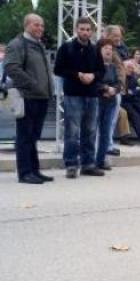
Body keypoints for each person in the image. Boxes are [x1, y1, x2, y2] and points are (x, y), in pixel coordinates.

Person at [54, 16, 105, 179]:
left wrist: (93, 76)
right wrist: (78, 75)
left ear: (92, 31)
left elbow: (101, 71)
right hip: (73, 95)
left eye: (88, 29)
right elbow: (58, 70)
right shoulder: (66, 48)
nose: (85, 32)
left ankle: (88, 164)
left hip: (91, 95)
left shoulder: (95, 50)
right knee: (72, 132)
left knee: (90, 131)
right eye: (82, 29)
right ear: (76, 30)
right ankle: (71, 164)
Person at [5, 14, 54, 184]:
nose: (40, 28)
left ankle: (34, 170)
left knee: (33, 136)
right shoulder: (17, 44)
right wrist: (32, 85)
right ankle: (25, 173)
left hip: (41, 97)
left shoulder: (38, 45)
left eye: (41, 25)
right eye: (36, 25)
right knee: (25, 136)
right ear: (26, 25)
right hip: (27, 96)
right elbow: (12, 68)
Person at [95, 38, 123, 170]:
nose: (108, 51)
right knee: (92, 131)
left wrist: (114, 90)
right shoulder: (94, 65)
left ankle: (101, 160)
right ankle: (91, 159)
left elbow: (119, 83)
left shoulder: (112, 67)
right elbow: (94, 82)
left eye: (111, 49)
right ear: (99, 50)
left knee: (106, 132)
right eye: (106, 48)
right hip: (97, 101)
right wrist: (106, 89)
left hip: (110, 101)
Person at [101, 24, 127, 156]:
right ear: (107, 35)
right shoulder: (104, 49)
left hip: (117, 89)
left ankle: (108, 145)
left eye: (120, 35)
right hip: (107, 90)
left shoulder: (119, 50)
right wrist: (107, 88)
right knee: (106, 121)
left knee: (111, 120)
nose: (119, 38)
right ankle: (105, 146)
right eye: (116, 35)